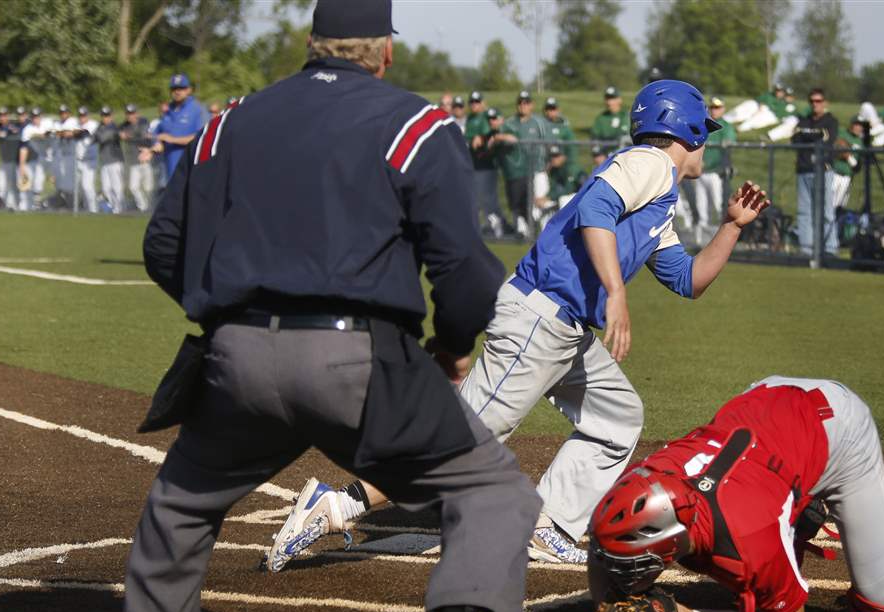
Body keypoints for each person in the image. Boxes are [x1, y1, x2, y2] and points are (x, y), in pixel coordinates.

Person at [99, 3, 540, 612]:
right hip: (358, 359)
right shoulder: (416, 124)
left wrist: (224, 313)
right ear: (384, 53)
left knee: (184, 496)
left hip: (237, 357)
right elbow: (466, 272)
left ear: (311, 45)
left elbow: (163, 245)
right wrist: (453, 347)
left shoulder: (228, 120)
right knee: (491, 491)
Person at [265, 80, 770, 572]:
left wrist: (730, 228)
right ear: (687, 131)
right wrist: (616, 292)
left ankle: (546, 525)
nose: (709, 139)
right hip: (539, 318)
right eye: (706, 129)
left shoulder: (658, 192)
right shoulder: (652, 163)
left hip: (563, 330)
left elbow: (687, 280)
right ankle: (338, 504)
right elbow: (595, 209)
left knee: (617, 419)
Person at [583, 376, 884, 612]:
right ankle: (801, 510)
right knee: (746, 553)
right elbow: (606, 538)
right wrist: (609, 599)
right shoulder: (644, 480)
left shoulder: (748, 533)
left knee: (878, 604)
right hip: (769, 407)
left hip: (838, 429)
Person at [489, 89, 547, 239]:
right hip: (517, 171)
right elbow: (497, 138)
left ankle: (541, 231)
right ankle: (524, 231)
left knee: (537, 203)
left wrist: (547, 165)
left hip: (538, 168)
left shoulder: (538, 122)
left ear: (532, 105)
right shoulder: (509, 123)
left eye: (526, 102)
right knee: (518, 203)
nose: (523, 105)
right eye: (520, 103)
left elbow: (548, 144)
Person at [792, 88, 838, 259]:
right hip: (803, 170)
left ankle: (830, 248)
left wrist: (807, 135)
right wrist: (813, 136)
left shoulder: (831, 120)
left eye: (818, 101)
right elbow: (795, 139)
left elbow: (827, 139)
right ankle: (806, 248)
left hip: (822, 171)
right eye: (812, 101)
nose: (815, 104)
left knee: (826, 212)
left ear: (824, 103)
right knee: (804, 211)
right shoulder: (804, 119)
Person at [690, 96, 736, 245]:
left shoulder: (725, 126)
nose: (714, 110)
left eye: (717, 107)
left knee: (718, 206)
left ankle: (722, 240)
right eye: (712, 107)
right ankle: (701, 241)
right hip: (701, 173)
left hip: (716, 173)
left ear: (723, 109)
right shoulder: (704, 125)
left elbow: (729, 143)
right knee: (702, 208)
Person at [465, 94, 508, 238]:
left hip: (487, 165)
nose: (474, 104)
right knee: (480, 198)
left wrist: (481, 137)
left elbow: (488, 135)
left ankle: (499, 226)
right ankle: (493, 226)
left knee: (488, 199)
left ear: (483, 102)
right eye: (472, 101)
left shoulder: (485, 116)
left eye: (477, 101)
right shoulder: (471, 118)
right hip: (475, 164)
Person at [153, 73, 208, 184]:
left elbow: (202, 136)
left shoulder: (198, 109)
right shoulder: (168, 111)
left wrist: (172, 139)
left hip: (191, 168)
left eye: (181, 88)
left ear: (189, 90)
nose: (177, 92)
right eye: (174, 89)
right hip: (170, 168)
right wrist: (156, 143)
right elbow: (158, 133)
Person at [18, 106, 54, 210]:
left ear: (41, 116)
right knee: (37, 181)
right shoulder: (28, 129)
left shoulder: (48, 123)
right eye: (33, 117)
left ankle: (66, 204)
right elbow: (24, 148)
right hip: (42, 157)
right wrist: (21, 165)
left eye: (37, 116)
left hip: (56, 155)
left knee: (59, 182)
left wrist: (42, 135)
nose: (35, 119)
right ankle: (37, 205)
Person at [121, 104, 154, 212]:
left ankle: (151, 207)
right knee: (133, 187)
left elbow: (145, 139)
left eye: (132, 113)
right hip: (134, 160)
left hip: (145, 158)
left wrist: (129, 138)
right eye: (128, 114)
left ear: (137, 113)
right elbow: (119, 132)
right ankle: (143, 207)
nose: (130, 116)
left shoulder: (144, 122)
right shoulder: (125, 125)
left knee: (148, 187)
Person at [95, 106, 125, 213]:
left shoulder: (115, 127)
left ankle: (119, 208)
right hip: (104, 161)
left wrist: (104, 135)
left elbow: (102, 138)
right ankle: (113, 206)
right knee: (106, 188)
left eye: (107, 116)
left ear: (111, 116)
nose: (105, 118)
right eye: (103, 116)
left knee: (116, 186)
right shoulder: (100, 127)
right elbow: (96, 137)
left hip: (115, 160)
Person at [831, 115, 865, 209]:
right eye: (856, 124)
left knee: (840, 206)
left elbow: (858, 166)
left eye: (861, 125)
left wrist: (850, 158)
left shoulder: (861, 142)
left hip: (848, 177)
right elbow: (836, 144)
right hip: (834, 174)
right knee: (828, 203)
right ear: (851, 125)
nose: (858, 127)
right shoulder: (842, 133)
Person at [0, 107, 22, 210]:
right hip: (4, 161)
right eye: (1, 115)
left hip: (13, 160)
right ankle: (9, 204)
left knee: (12, 184)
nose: (2, 117)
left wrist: (0, 133)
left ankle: (15, 205)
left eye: (4, 115)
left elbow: (13, 132)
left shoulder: (11, 125)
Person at [74, 106, 99, 212]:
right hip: (78, 160)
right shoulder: (76, 125)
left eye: (84, 115)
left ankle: (93, 209)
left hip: (90, 160)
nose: (82, 118)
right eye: (80, 115)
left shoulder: (93, 124)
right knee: (78, 187)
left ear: (87, 115)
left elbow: (86, 133)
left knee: (87, 186)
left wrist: (77, 132)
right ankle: (85, 208)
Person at [542, 96, 577, 172]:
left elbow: (572, 148)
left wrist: (563, 158)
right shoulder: (540, 125)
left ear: (558, 110)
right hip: (545, 164)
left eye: (553, 108)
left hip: (564, 166)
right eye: (548, 108)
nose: (550, 111)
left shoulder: (564, 126)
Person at [52, 104, 79, 202]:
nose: (63, 115)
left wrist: (64, 133)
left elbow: (74, 132)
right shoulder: (57, 123)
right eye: (61, 113)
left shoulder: (73, 121)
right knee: (60, 181)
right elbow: (55, 133)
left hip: (71, 155)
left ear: (68, 113)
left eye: (65, 113)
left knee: (70, 182)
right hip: (60, 155)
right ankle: (65, 202)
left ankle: (73, 203)